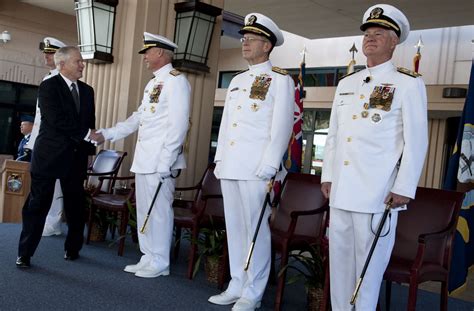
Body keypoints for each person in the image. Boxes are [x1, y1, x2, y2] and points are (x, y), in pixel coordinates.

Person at [321, 4, 428, 310]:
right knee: (339, 269)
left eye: (379, 33)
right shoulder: (346, 84)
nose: (370, 38)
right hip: (341, 192)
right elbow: (334, 137)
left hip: (377, 195)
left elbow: (416, 141)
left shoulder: (408, 83)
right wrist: (328, 175)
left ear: (395, 41)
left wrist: (404, 188)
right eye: (368, 33)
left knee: (367, 273)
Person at [208, 13, 294, 311]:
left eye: (251, 39)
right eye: (243, 38)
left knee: (256, 230)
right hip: (232, 165)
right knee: (235, 228)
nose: (244, 42)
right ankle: (236, 283)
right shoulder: (238, 80)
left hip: (258, 169)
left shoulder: (281, 80)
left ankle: (253, 292)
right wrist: (219, 159)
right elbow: (227, 122)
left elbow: (282, 126)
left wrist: (270, 166)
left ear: (267, 45)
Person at [90, 32, 190, 278]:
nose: (145, 56)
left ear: (160, 53)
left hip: (161, 162)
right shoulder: (154, 83)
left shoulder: (177, 81)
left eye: (148, 52)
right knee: (145, 209)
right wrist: (107, 133)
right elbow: (139, 118)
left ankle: (161, 261)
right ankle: (148, 256)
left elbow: (179, 125)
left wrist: (166, 161)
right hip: (145, 159)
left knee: (159, 210)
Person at [16, 46, 96, 268]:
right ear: (62, 64)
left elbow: (91, 122)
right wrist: (88, 134)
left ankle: (73, 249)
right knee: (37, 205)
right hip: (49, 157)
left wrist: (90, 151)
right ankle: (25, 253)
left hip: (76, 158)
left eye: (82, 61)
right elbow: (56, 120)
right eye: (78, 61)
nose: (82, 65)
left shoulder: (88, 91)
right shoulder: (48, 87)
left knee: (75, 206)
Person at [26, 37, 67, 237]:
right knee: (41, 184)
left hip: (54, 144)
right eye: (46, 52)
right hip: (42, 141)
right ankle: (46, 221)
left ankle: (53, 223)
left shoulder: (62, 80)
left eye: (50, 53)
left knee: (55, 184)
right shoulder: (48, 77)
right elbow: (39, 116)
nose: (46, 56)